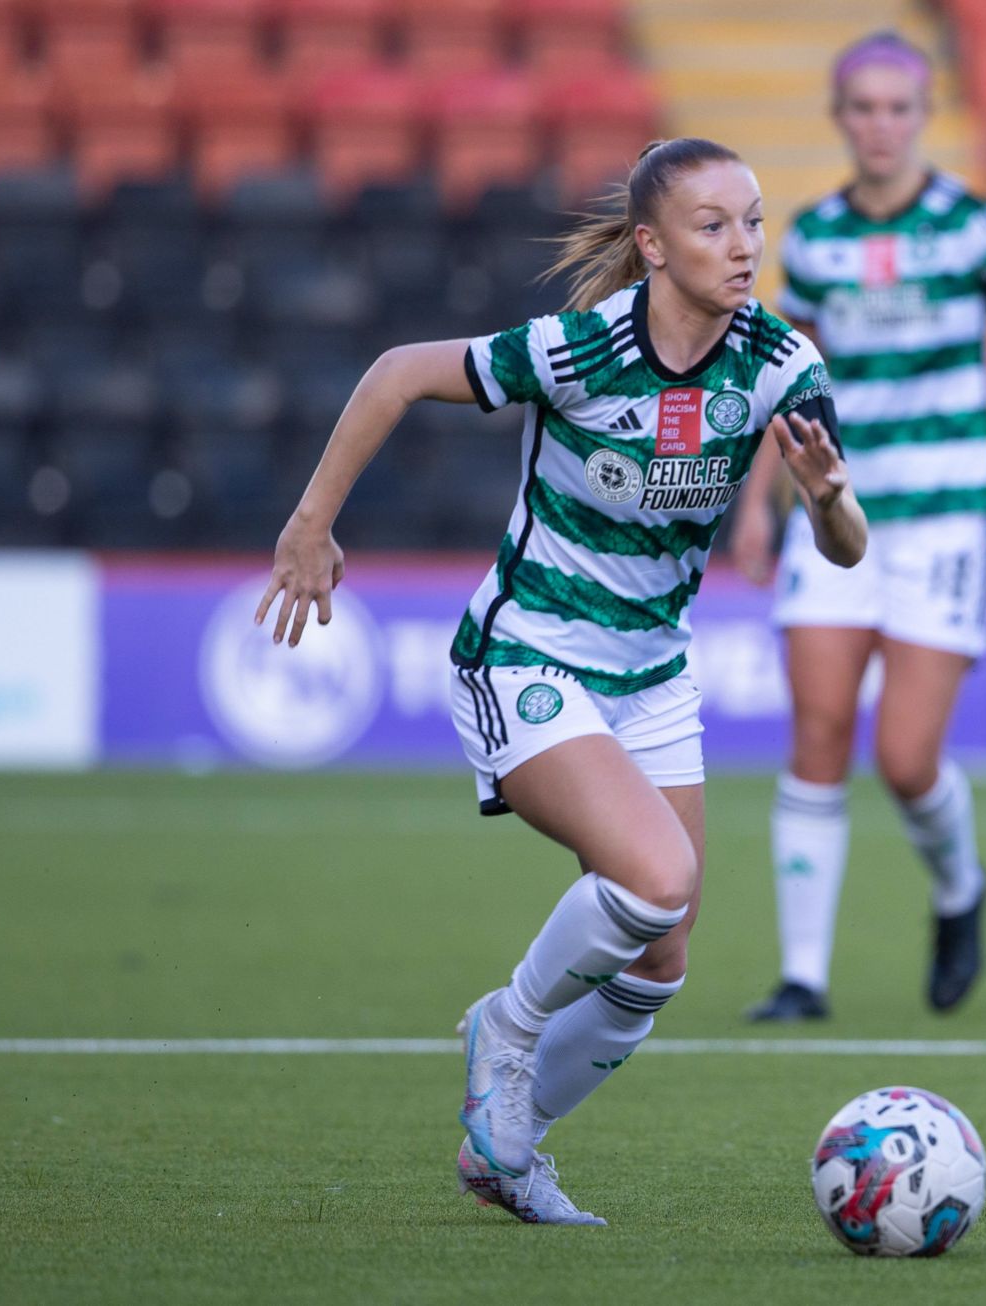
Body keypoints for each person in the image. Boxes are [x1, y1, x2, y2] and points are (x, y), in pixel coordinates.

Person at [257, 138, 865, 1223]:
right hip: (527, 651)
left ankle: (509, 1149)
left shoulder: (782, 364)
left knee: (660, 961)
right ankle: (509, 1025)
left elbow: (849, 546)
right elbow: (397, 371)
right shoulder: (581, 349)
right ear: (651, 245)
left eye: (754, 221)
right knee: (656, 876)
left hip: (652, 673)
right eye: (713, 225)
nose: (744, 247)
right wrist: (310, 524)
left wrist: (823, 499)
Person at [732, 31, 986, 1023]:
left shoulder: (975, 227)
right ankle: (801, 977)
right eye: (861, 108)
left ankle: (959, 890)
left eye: (896, 107)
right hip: (836, 512)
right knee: (818, 735)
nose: (879, 125)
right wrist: (759, 499)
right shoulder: (815, 238)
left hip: (945, 518)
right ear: (840, 118)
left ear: (922, 115)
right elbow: (792, 376)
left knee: (909, 759)